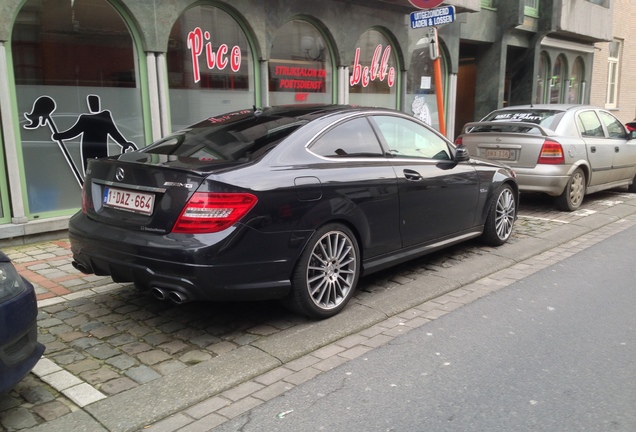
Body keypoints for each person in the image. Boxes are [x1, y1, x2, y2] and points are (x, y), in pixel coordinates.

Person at [53, 94, 137, 175]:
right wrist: (59, 136)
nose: (93, 106)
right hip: (92, 148)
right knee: (92, 170)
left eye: (94, 103)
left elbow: (113, 132)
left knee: (97, 169)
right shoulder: (92, 118)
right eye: (92, 103)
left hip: (94, 148)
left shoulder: (99, 117)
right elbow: (73, 132)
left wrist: (123, 143)